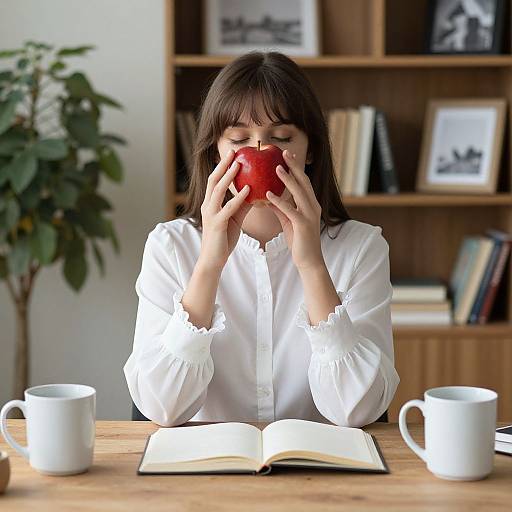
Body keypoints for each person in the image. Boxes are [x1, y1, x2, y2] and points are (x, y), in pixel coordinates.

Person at [123, 51, 400, 427]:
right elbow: (161, 408)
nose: (258, 153)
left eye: (281, 137)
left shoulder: (361, 248)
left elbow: (359, 410)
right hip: (202, 474)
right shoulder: (170, 247)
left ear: (311, 149)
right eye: (238, 139)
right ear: (215, 151)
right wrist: (208, 265)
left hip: (320, 471)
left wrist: (312, 264)